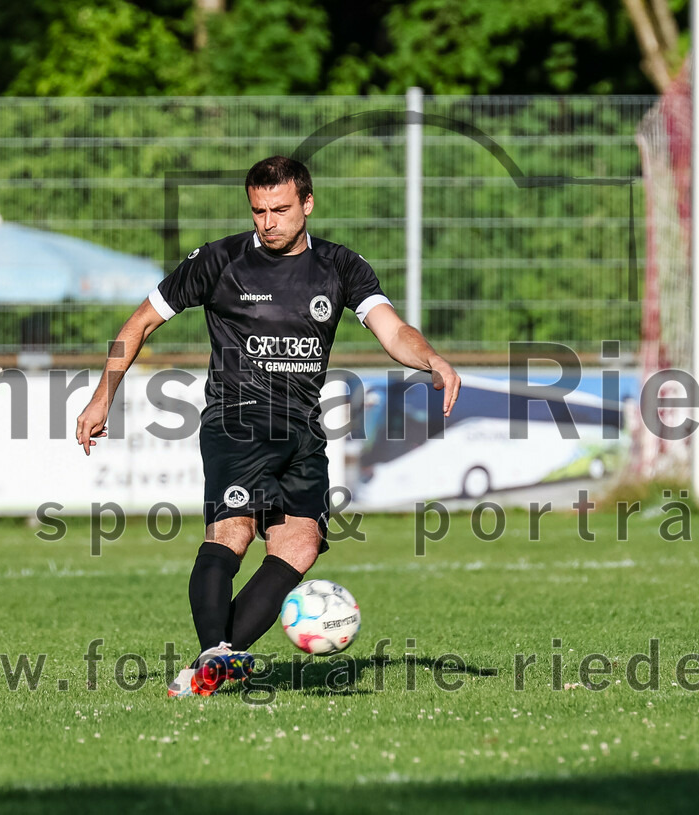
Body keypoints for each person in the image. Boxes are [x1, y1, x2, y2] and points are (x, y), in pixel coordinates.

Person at [75, 156, 461, 697]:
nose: (268, 222)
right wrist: (102, 398)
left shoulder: (341, 267)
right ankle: (217, 651)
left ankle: (206, 668)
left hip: (302, 427)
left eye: (280, 209)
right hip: (238, 420)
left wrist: (432, 361)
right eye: (258, 211)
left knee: (301, 544)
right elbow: (139, 322)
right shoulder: (219, 261)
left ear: (308, 203)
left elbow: (393, 330)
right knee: (233, 533)